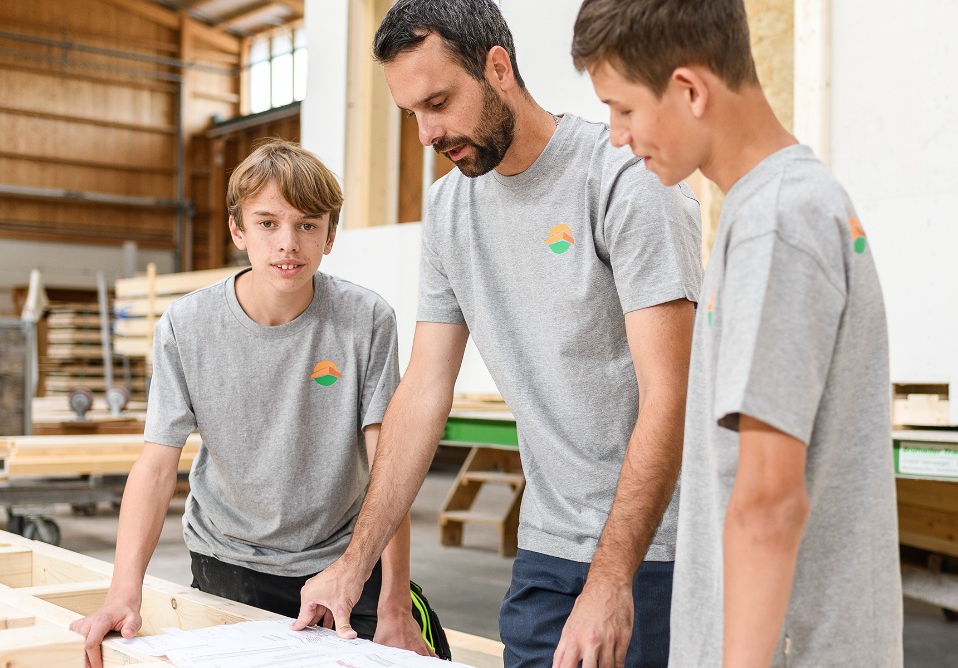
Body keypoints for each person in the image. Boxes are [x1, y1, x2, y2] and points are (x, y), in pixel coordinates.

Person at [297, 1, 703, 666]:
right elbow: (424, 391)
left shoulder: (624, 178)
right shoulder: (449, 207)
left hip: (661, 551)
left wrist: (610, 583)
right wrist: (354, 564)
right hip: (547, 547)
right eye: (411, 115)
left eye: (439, 102)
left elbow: (671, 394)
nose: (427, 133)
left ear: (497, 68)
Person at [571, 0, 904, 665]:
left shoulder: (775, 224)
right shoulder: (775, 208)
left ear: (689, 89)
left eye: (624, 109)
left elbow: (767, 502)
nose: (614, 134)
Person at [69, 140, 432, 668]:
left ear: (331, 235)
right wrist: (124, 591)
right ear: (238, 230)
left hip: (344, 564)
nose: (288, 243)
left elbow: (389, 464)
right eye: (268, 223)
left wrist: (396, 600)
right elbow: (155, 463)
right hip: (228, 560)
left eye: (308, 225)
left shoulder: (366, 320)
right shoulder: (186, 325)